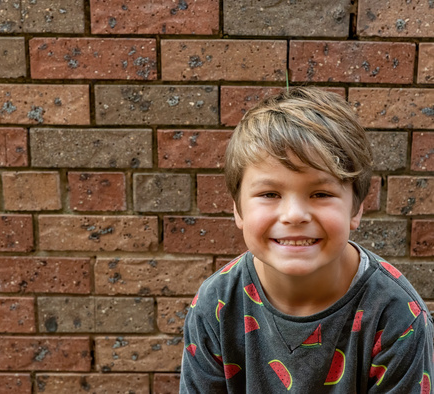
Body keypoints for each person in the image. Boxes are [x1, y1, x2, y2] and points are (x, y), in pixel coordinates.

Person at [180, 87, 434, 393]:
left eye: (321, 194)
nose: (294, 215)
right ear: (238, 209)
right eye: (270, 194)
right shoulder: (215, 306)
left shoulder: (397, 316)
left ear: (356, 209)